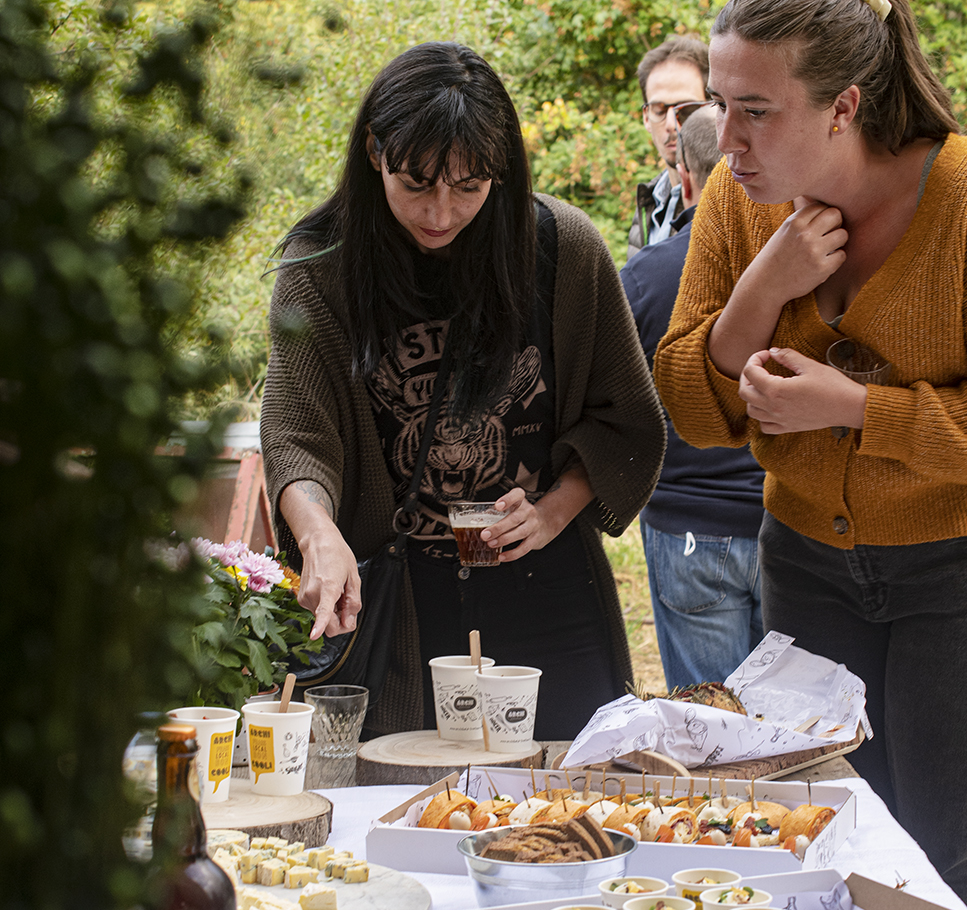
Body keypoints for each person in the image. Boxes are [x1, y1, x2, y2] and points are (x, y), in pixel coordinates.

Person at [655, 0, 967, 910]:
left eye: (756, 111)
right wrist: (763, 287)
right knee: (823, 842)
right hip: (801, 563)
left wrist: (853, 408)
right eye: (721, 104)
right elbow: (691, 408)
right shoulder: (737, 199)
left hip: (962, 576)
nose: (725, 139)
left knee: (955, 865)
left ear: (844, 106)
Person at [260, 42, 665, 743]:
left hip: (547, 596)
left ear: (501, 171)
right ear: (373, 152)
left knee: (567, 800)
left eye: (469, 186)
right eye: (416, 183)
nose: (441, 213)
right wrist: (319, 536)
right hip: (396, 603)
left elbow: (627, 419)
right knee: (402, 810)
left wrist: (551, 510)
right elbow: (298, 436)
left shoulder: (563, 249)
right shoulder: (320, 269)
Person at [621, 106, 764, 691]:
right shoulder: (813, 260)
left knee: (709, 730)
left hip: (685, 524)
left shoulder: (645, 275)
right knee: (795, 724)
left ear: (685, 180)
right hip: (784, 520)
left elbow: (620, 403)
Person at [627, 35, 710, 259]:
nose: (672, 125)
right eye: (660, 110)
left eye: (686, 109)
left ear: (713, 108)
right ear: (646, 117)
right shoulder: (649, 199)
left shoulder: (732, 202)